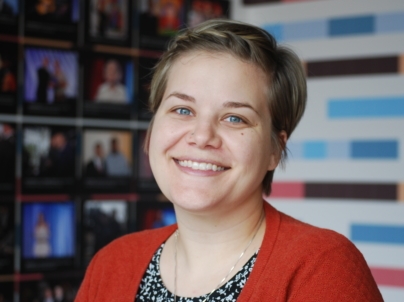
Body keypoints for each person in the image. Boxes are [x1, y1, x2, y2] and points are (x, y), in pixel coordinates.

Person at [76, 20, 383, 301]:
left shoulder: (323, 267)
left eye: (235, 118)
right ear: (151, 129)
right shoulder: (111, 264)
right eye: (182, 110)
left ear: (275, 149)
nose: (201, 136)